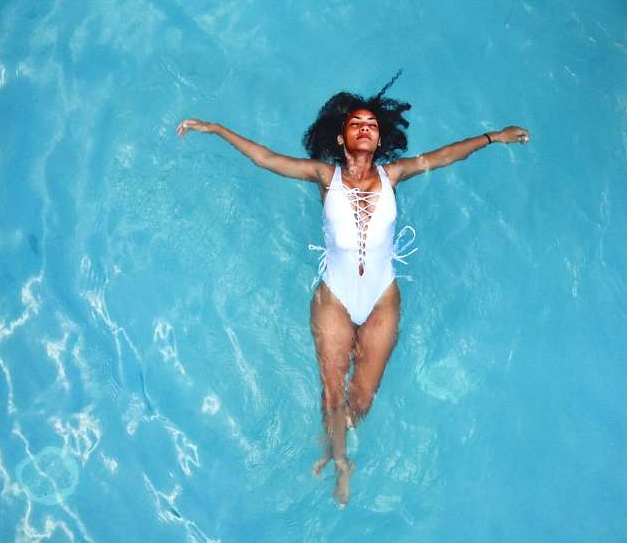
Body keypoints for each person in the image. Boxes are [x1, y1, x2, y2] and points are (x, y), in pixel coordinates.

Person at [176, 75, 528, 506]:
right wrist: (215, 129)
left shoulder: (393, 174)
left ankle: (340, 436)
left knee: (361, 397)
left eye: (372, 125)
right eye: (356, 123)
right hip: (335, 299)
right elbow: (265, 158)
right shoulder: (325, 176)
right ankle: (341, 461)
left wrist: (494, 137)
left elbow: (446, 155)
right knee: (331, 390)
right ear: (342, 139)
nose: (365, 127)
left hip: (381, 298)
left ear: (379, 142)